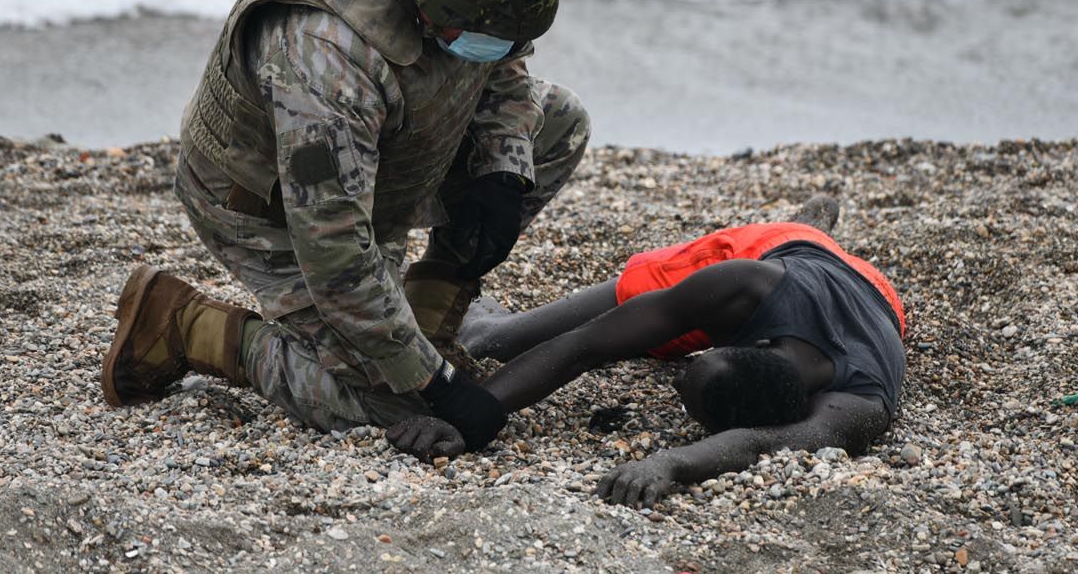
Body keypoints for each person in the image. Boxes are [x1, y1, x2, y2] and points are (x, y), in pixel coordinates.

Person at [100, 0, 589, 453]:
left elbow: (503, 63)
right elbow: (334, 255)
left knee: (557, 124)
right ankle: (187, 326)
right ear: (434, 9)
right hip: (268, 207)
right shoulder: (325, 54)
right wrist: (436, 384)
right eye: (486, 32)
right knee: (387, 405)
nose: (505, 47)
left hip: (384, 157)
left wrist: (502, 172)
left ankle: (428, 310)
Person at [384, 196, 907, 508]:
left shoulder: (862, 402)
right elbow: (586, 344)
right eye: (693, 371)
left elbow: (761, 444)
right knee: (504, 339)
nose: (678, 379)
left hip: (881, 299)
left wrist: (672, 464)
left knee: (655, 343)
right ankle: (489, 326)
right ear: (751, 344)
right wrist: (476, 411)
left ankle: (821, 233)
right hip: (779, 250)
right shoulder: (745, 285)